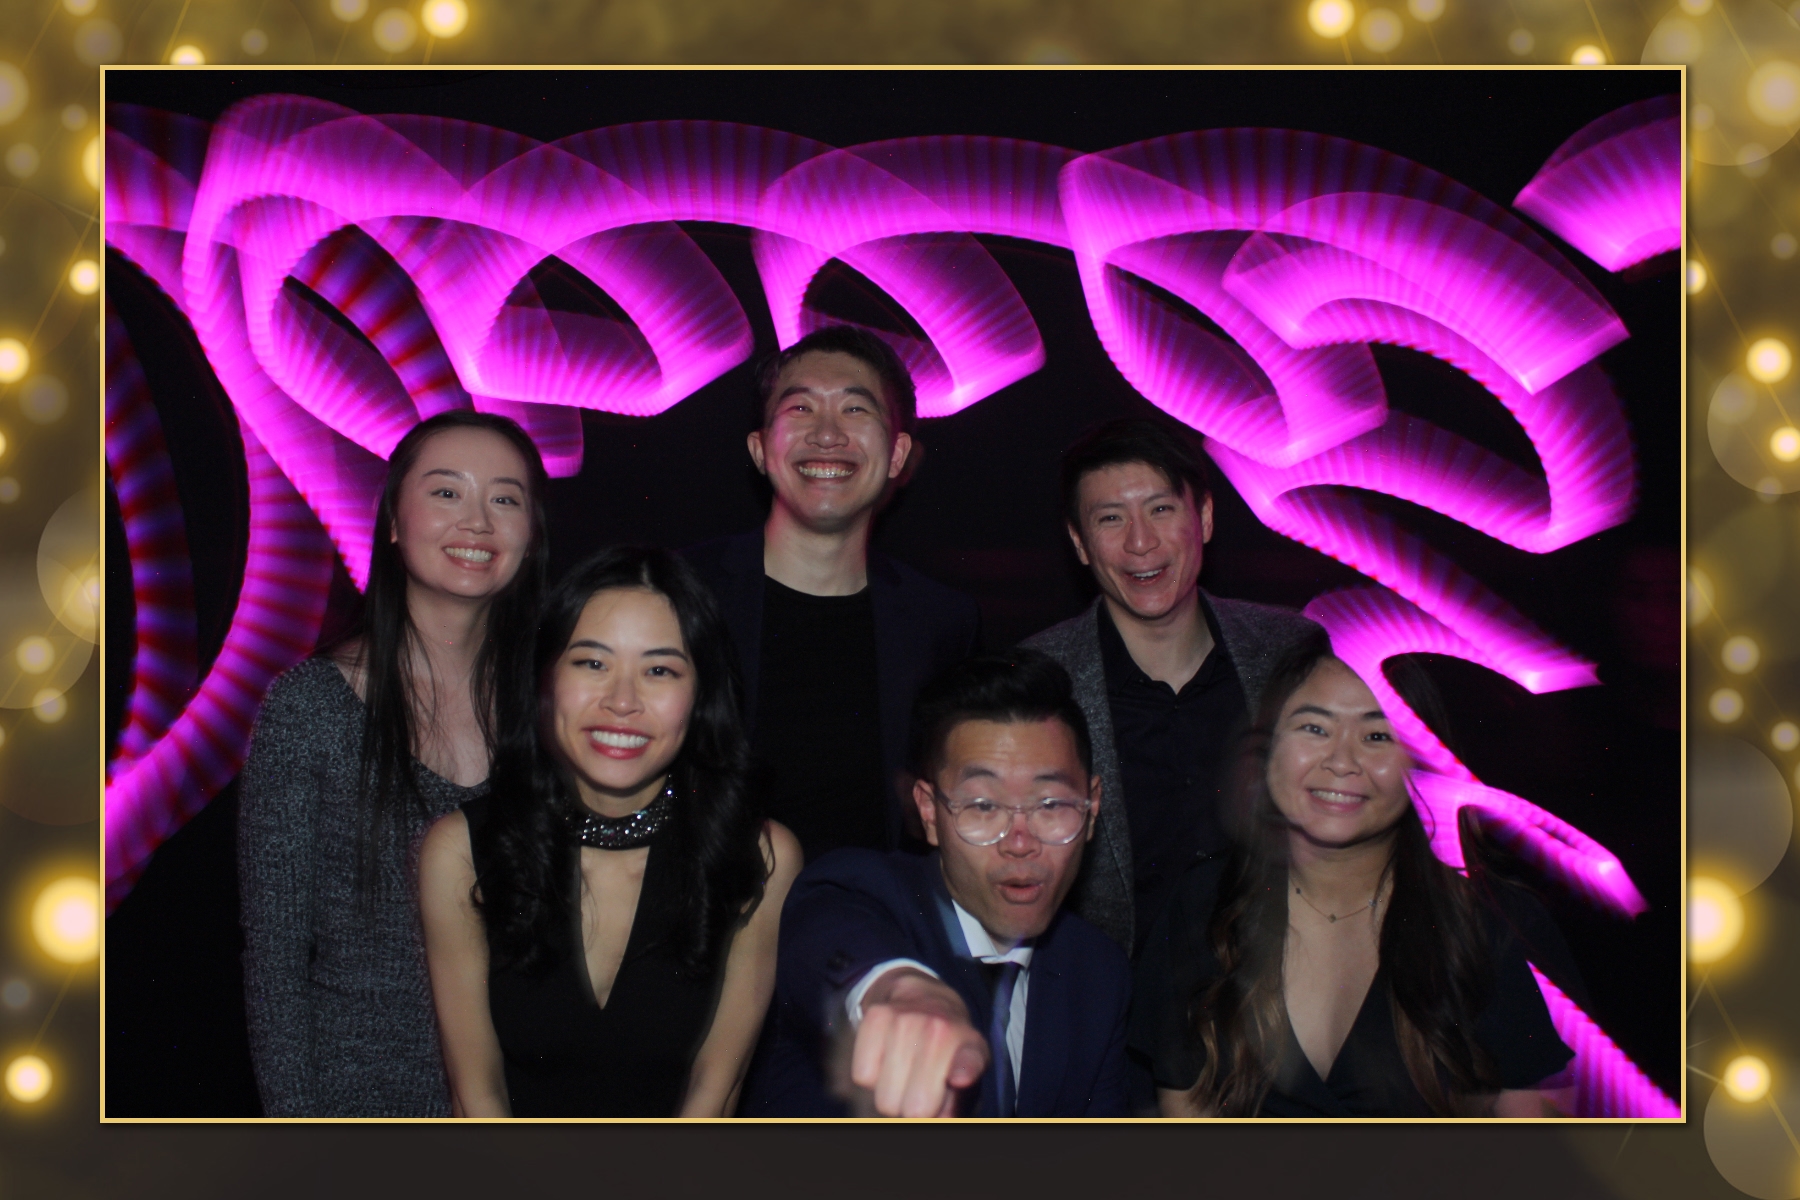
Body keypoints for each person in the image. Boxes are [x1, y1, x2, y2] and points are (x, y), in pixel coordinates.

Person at [238, 410, 549, 1117]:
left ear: (531, 535)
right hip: (362, 1109)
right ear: (392, 523)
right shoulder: (310, 707)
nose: (477, 521)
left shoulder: (559, 709)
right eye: (446, 492)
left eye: (505, 499)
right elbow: (275, 960)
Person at [419, 547, 802, 1117]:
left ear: (700, 695)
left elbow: (714, 1094)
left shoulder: (759, 856)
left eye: (659, 671)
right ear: (546, 677)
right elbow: (476, 1096)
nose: (622, 701)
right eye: (592, 663)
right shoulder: (461, 851)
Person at [1132, 639, 1579, 1117]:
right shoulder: (1204, 904)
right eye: (1314, 728)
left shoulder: (1494, 924)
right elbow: (1187, 1120)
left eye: (1378, 736)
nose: (1342, 762)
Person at [744, 650, 1131, 1118]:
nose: (1020, 842)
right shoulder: (863, 892)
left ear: (1092, 807)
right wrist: (900, 990)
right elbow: (831, 939)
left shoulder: (1097, 972)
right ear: (929, 811)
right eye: (984, 806)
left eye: (1051, 805)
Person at [1024, 418, 1321, 958]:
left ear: (1203, 518)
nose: (1140, 542)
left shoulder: (1287, 651)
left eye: (1161, 509)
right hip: (1114, 999)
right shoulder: (1038, 680)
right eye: (1111, 518)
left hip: (1281, 984)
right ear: (1080, 543)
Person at [684, 325, 981, 864]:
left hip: (874, 911)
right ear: (759, 449)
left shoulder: (942, 624)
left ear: (897, 454)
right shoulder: (682, 593)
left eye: (855, 409)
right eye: (801, 409)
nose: (827, 435)